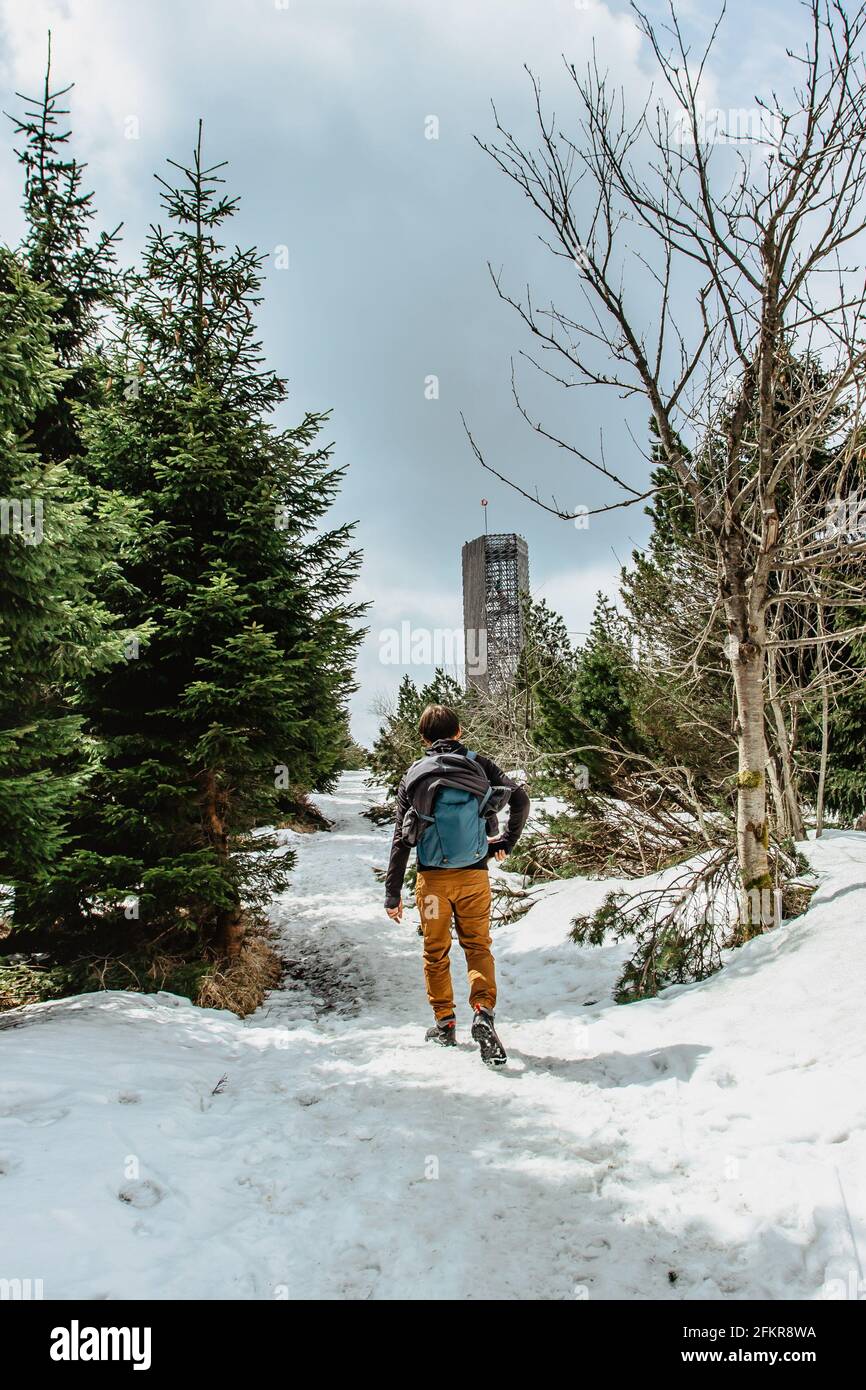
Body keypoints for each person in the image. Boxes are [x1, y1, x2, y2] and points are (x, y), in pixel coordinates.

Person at [384, 703, 530, 1065]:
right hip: (474, 877)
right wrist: (506, 843)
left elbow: (401, 839)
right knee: (477, 946)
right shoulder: (480, 763)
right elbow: (521, 799)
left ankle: (445, 1022)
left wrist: (392, 894)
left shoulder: (414, 774)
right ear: (459, 732)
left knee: (436, 951)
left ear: (423, 739)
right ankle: (483, 1011)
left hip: (432, 882)